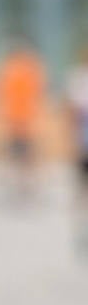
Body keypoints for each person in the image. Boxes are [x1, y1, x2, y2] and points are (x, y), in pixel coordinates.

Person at [0, 36, 47, 198]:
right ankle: (23, 182)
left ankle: (23, 182)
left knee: (22, 152)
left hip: (19, 117)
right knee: (22, 152)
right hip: (20, 117)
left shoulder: (13, 69)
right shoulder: (26, 68)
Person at [67, 46, 88, 254]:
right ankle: (80, 230)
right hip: (84, 143)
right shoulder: (79, 80)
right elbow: (73, 114)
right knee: (82, 189)